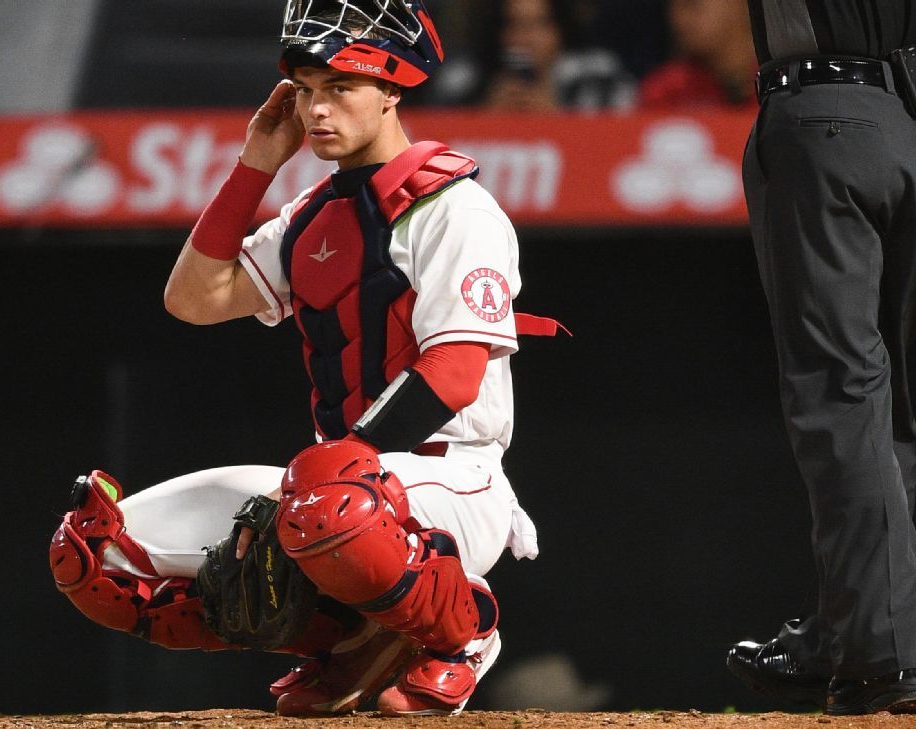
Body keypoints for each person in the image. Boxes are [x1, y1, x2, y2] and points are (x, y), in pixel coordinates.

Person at [50, 0, 548, 717]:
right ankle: (351, 640)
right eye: (308, 90)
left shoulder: (457, 210)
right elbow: (192, 298)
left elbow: (455, 374)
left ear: (391, 90)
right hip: (337, 493)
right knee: (97, 555)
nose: (317, 109)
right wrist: (257, 161)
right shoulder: (312, 216)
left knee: (322, 493)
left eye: (340, 88)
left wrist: (325, 482)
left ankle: (462, 633)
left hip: (452, 481)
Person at [725, 1, 916, 717]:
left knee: (844, 394)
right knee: (902, 408)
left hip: (830, 108)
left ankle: (878, 652)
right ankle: (860, 628)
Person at [484, 0, 635, 112]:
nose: (525, 37)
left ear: (561, 29)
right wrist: (486, 118)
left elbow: (619, 135)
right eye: (513, 24)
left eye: (539, 24)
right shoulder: (475, 76)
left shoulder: (598, 71)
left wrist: (556, 117)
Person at [637, 0, 756, 109]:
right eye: (672, 6)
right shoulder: (665, 91)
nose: (678, 19)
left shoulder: (772, 82)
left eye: (692, 4)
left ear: (740, 4)